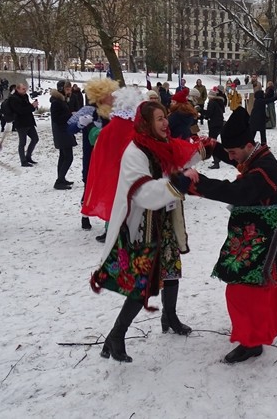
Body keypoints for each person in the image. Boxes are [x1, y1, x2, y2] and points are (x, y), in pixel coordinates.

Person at [89, 101, 208, 363]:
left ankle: (170, 315)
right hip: (143, 227)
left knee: (171, 270)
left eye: (165, 117)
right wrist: (179, 182)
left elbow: (178, 157)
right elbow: (143, 193)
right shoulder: (135, 152)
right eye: (159, 119)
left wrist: (202, 150)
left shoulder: (160, 145)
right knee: (142, 284)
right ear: (146, 123)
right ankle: (117, 335)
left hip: (163, 220)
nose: (165, 123)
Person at [188, 107, 277, 363]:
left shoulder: (263, 170)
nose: (231, 157)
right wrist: (214, 148)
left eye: (233, 152)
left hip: (263, 242)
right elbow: (235, 156)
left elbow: (236, 192)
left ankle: (252, 342)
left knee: (245, 291)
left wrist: (195, 182)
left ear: (247, 145)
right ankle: (252, 334)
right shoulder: (256, 155)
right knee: (247, 290)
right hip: (254, 234)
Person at [69, 78, 120, 231]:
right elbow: (70, 128)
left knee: (108, 185)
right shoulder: (88, 110)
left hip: (109, 155)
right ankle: (85, 215)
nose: (112, 96)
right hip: (91, 154)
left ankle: (108, 220)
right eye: (109, 93)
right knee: (89, 184)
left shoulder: (115, 110)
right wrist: (80, 124)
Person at [50, 80, 77, 190]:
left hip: (63, 131)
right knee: (68, 157)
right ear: (61, 89)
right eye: (66, 88)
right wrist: (69, 115)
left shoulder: (62, 100)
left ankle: (61, 178)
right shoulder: (56, 102)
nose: (68, 91)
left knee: (63, 156)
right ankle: (59, 181)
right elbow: (56, 118)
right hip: (62, 132)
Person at [9, 83, 39, 167]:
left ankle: (28, 156)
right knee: (22, 143)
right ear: (17, 89)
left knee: (35, 139)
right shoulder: (14, 99)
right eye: (23, 89)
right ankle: (23, 161)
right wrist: (32, 107)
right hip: (21, 123)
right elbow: (20, 111)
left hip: (29, 122)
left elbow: (27, 107)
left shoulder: (25, 96)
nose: (25, 90)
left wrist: (33, 105)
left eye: (25, 89)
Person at [205, 86, 226, 169]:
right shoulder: (219, 102)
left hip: (214, 124)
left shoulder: (212, 102)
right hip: (219, 123)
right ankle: (218, 158)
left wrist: (201, 112)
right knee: (215, 141)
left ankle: (216, 162)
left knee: (212, 142)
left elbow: (209, 114)